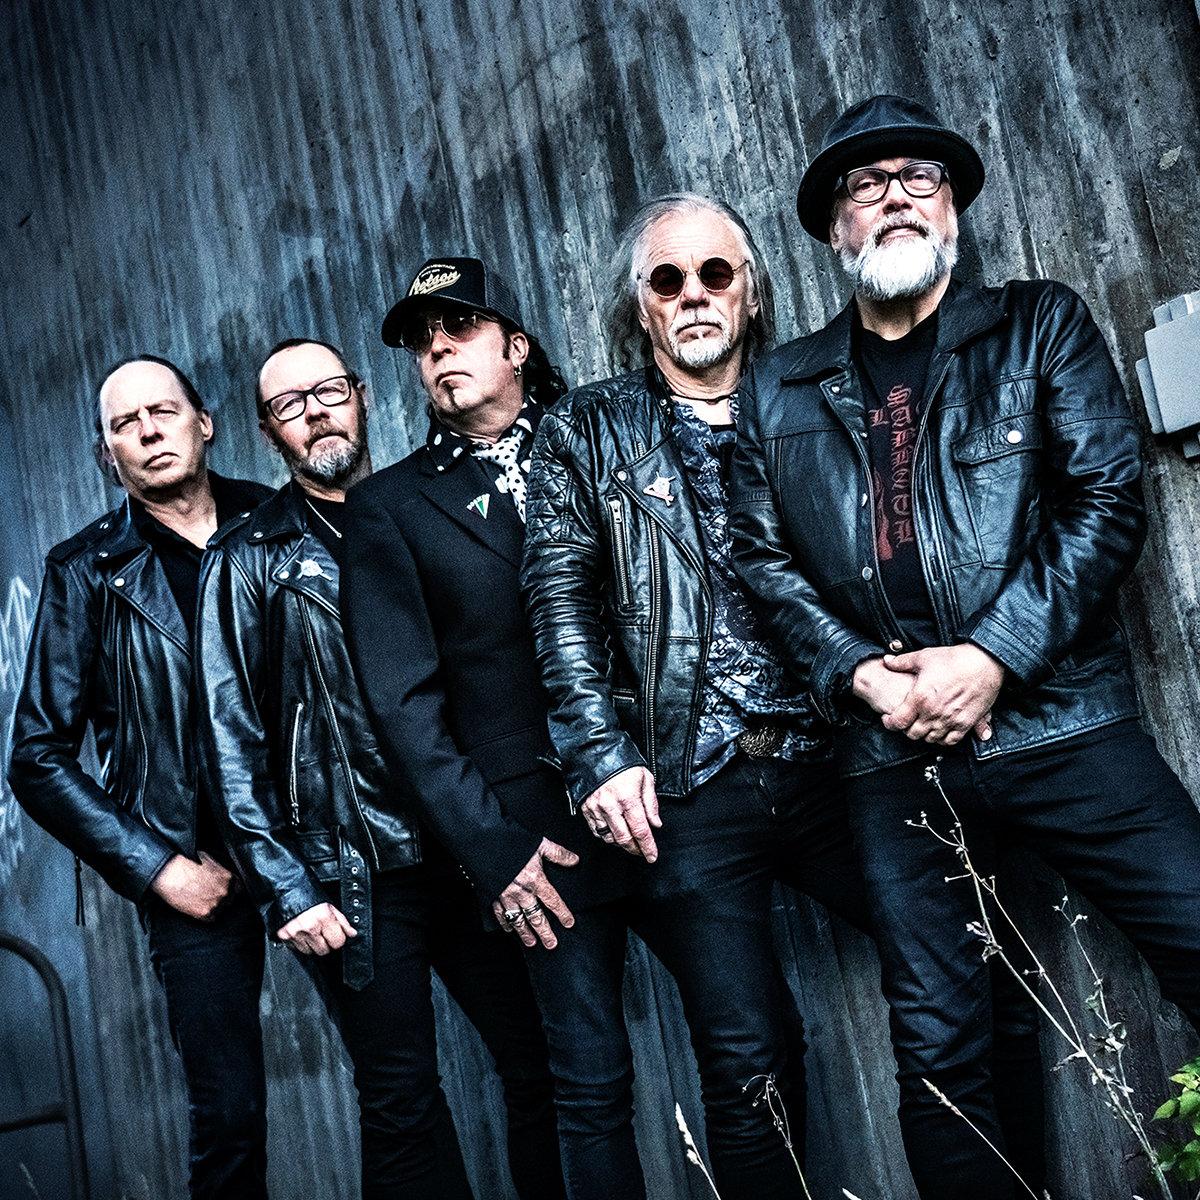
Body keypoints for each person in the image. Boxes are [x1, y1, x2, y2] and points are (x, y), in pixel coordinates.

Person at [728, 94, 1200, 1200]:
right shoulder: (776, 387)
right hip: (890, 755)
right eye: (865, 184)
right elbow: (762, 561)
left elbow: (1105, 499)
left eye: (920, 178)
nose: (895, 196)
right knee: (942, 1052)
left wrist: (990, 657)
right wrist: (859, 676)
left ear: (952, 210)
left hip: (1063, 719)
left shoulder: (1039, 325)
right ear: (833, 227)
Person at [520, 194, 874, 1200]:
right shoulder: (584, 430)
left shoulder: (818, 394)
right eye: (666, 280)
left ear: (751, 290)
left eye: (716, 273)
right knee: (749, 1056)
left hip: (840, 757)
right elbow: (558, 601)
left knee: (954, 962)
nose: (694, 296)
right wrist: (599, 754)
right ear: (639, 307)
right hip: (689, 783)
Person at [196, 335, 564, 1200]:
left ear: (361, 396)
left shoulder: (417, 505)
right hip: (353, 873)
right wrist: (286, 888)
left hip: (464, 844)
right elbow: (228, 738)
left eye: (329, 391)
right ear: (267, 431)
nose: (316, 412)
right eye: (290, 405)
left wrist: (497, 831)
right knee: (401, 1100)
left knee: (541, 1063)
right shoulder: (247, 558)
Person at [8, 355, 271, 1198]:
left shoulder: (278, 522)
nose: (149, 430)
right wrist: (158, 867)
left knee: (394, 1082)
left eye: (163, 410)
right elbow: (36, 757)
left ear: (205, 422)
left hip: (312, 848)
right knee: (229, 1117)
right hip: (191, 870)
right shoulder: (84, 570)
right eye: (125, 423)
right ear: (107, 454)